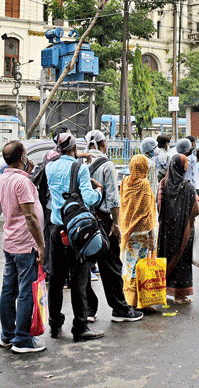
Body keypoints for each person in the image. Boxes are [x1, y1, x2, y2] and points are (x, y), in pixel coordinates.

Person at [44, 133, 104, 341]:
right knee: (79, 278)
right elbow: (89, 198)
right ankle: (80, 326)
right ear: (74, 149)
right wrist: (99, 191)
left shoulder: (50, 166)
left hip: (55, 229)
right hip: (75, 232)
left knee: (56, 279)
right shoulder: (80, 169)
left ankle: (54, 324)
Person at [84, 131, 144, 323]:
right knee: (111, 266)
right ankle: (120, 308)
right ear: (103, 143)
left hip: (84, 220)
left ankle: (88, 310)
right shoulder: (107, 165)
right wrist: (116, 223)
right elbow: (112, 198)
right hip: (103, 220)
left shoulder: (81, 163)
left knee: (85, 266)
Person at [0, 141, 47, 354]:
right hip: (25, 244)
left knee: (9, 289)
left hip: (10, 242)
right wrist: (41, 245)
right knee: (25, 291)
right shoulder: (21, 182)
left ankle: (7, 335)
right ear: (22, 158)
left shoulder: (4, 178)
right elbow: (30, 216)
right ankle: (22, 339)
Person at [157, 154, 199, 304]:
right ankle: (180, 296)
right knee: (182, 259)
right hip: (184, 230)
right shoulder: (188, 186)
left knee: (165, 257)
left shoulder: (162, 183)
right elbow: (195, 210)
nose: (187, 166)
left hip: (165, 230)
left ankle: (163, 291)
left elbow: (159, 206)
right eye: (186, 163)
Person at [119, 154, 158, 308]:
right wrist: (151, 236)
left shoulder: (124, 182)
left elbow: (124, 206)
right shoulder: (144, 184)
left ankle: (129, 301)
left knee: (128, 265)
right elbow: (147, 211)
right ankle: (142, 302)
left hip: (127, 231)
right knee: (141, 266)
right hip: (142, 233)